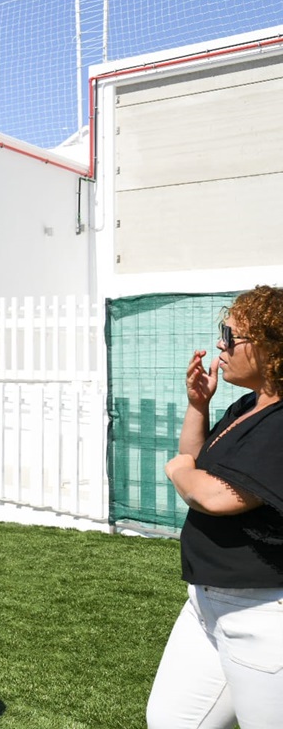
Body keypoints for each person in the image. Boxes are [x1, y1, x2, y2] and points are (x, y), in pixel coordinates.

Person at [146, 285, 283, 729]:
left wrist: (178, 470)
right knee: (171, 721)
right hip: (206, 603)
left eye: (231, 336)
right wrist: (197, 406)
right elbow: (199, 458)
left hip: (261, 614)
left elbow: (217, 496)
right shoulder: (249, 405)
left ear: (271, 349)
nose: (220, 345)